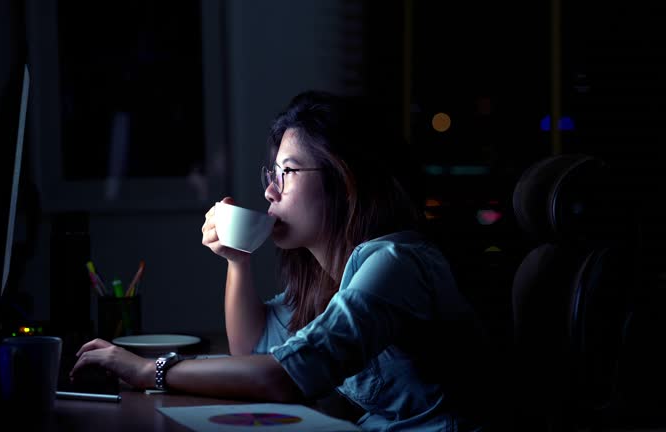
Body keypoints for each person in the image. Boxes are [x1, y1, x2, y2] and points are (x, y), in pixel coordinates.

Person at [71, 90, 497, 431]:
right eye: (270, 175)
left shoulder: (396, 263)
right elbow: (253, 351)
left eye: (287, 172)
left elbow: (281, 376)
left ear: (345, 181)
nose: (270, 192)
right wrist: (237, 261)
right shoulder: (330, 277)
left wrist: (149, 371)